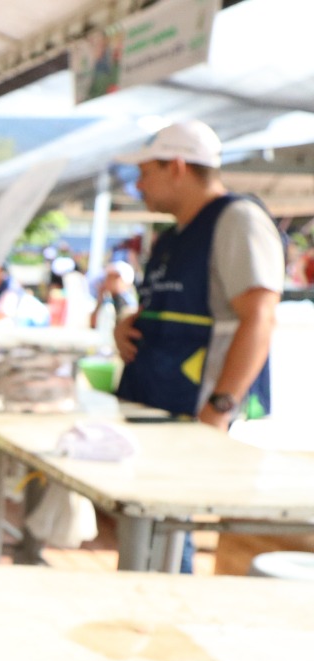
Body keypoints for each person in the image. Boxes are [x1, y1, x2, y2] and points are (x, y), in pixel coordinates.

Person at [113, 119, 280, 429]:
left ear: (177, 167)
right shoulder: (171, 237)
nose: (138, 185)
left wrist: (220, 407)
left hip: (199, 421)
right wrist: (130, 325)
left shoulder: (237, 219)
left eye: (145, 173)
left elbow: (260, 317)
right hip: (155, 413)